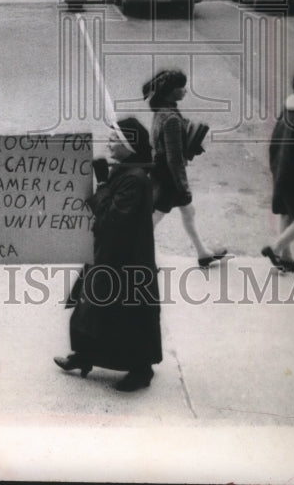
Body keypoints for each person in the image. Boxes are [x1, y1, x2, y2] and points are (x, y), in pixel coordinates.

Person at [54, 118, 162, 392]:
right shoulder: (126, 171)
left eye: (115, 139)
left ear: (130, 146)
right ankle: (85, 355)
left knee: (127, 319)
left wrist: (102, 184)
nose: (109, 142)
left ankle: (141, 370)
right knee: (90, 311)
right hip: (110, 256)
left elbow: (112, 218)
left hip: (126, 262)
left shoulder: (135, 180)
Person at [143, 69, 226, 268]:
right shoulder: (171, 118)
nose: (185, 91)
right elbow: (174, 158)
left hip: (161, 172)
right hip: (169, 178)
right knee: (152, 221)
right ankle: (144, 260)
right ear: (171, 91)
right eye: (181, 87)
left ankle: (203, 253)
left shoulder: (162, 112)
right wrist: (182, 184)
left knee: (188, 212)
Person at [262, 66, 294, 272]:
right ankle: (276, 248)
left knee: (287, 213)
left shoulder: (289, 110)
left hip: (281, 169)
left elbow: (276, 141)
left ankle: (285, 257)